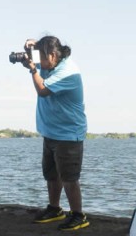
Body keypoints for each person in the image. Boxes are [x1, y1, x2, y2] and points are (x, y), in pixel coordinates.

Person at [21, 36, 89, 231]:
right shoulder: (50, 63)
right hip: (51, 132)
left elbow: (42, 90)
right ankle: (55, 209)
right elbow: (39, 66)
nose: (39, 62)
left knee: (69, 178)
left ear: (52, 55)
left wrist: (32, 70)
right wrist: (30, 49)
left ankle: (78, 215)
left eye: (41, 57)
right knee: (51, 174)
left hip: (68, 134)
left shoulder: (68, 72)